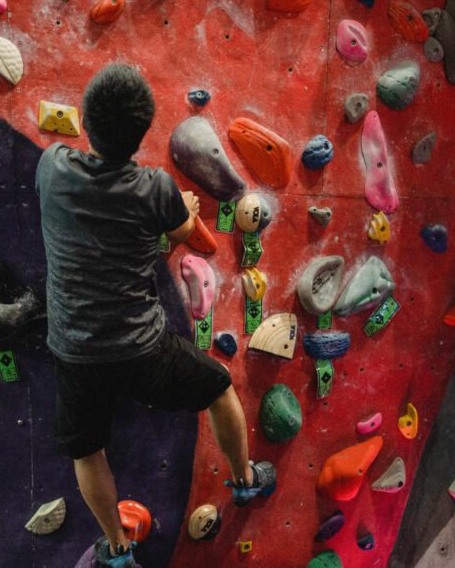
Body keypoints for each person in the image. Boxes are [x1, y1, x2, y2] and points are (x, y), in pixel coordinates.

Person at [35, 64, 276, 567]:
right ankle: (245, 481)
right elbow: (185, 227)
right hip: (141, 349)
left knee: (88, 451)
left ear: (84, 120)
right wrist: (183, 207)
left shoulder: (53, 167)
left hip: (75, 351)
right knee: (218, 387)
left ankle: (118, 551)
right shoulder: (154, 188)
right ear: (142, 134)